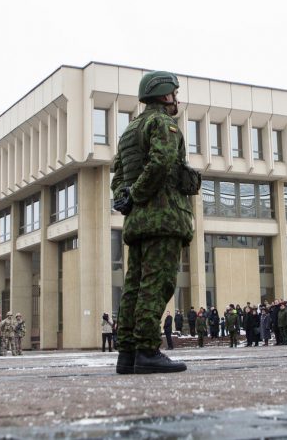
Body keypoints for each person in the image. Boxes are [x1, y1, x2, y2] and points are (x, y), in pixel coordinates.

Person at [110, 71, 199, 374]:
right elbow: (160, 163)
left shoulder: (129, 131)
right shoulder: (162, 123)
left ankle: (128, 353)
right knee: (156, 284)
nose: (177, 98)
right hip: (163, 218)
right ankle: (147, 350)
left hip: (138, 222)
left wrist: (128, 197)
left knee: (133, 287)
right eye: (174, 93)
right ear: (164, 95)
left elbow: (118, 178)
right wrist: (137, 194)